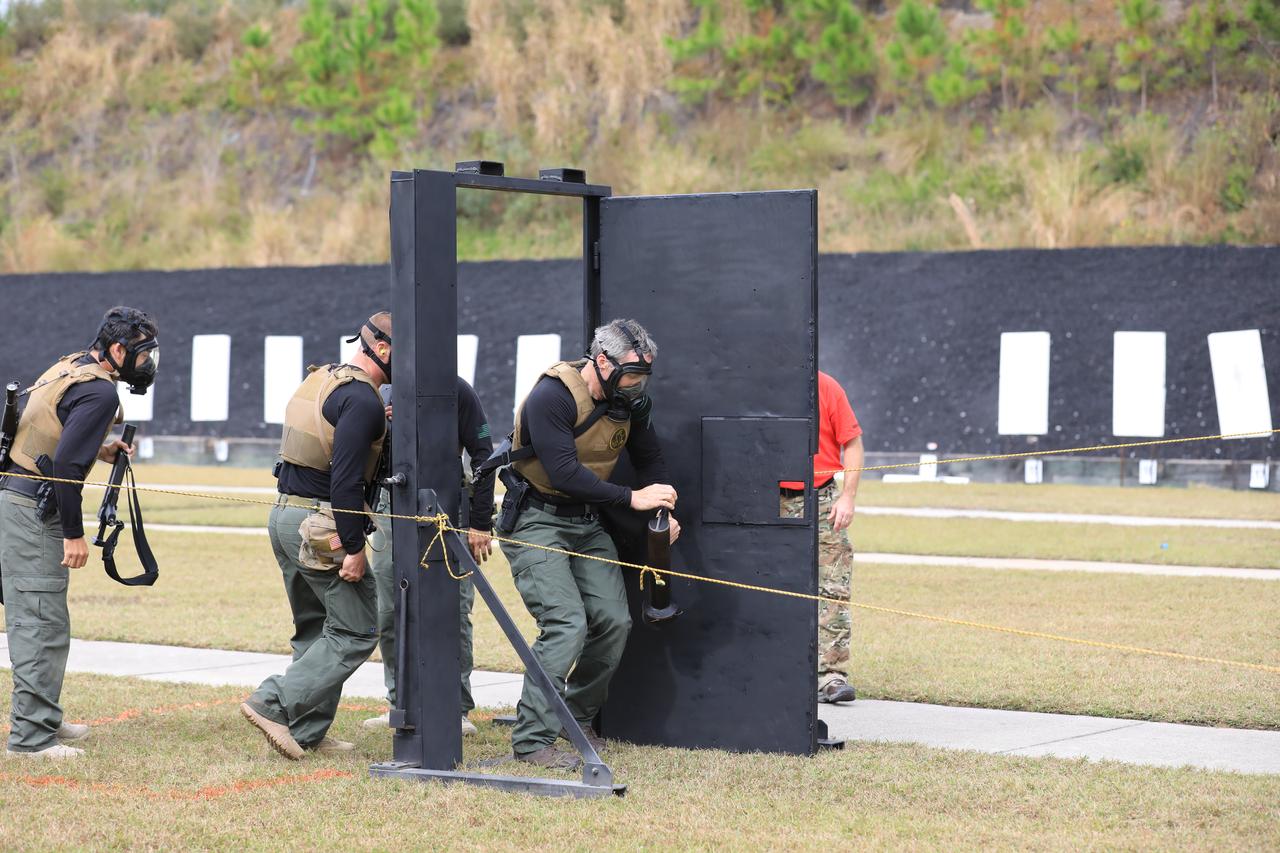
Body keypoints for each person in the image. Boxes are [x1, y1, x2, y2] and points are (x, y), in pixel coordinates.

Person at [501, 319, 680, 770]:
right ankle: (531, 740)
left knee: (615, 621)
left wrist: (661, 510)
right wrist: (634, 499)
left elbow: (649, 457)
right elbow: (564, 474)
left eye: (643, 378)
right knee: (566, 624)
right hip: (536, 520)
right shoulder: (552, 396)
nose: (637, 387)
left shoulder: (631, 403)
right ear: (601, 362)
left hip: (586, 522)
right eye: (630, 376)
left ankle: (572, 719)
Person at [0, 306, 158, 759]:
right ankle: (30, 737)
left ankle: (42, 715)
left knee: (44, 617)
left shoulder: (73, 366)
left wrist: (100, 448)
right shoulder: (100, 394)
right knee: (39, 622)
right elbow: (67, 467)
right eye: (143, 355)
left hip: (16, 494)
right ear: (117, 350)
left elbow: (49, 434)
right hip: (33, 508)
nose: (148, 364)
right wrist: (73, 533)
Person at [240, 312, 391, 760]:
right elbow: (345, 480)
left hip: (286, 514)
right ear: (382, 350)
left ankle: (305, 731)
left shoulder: (324, 380)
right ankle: (274, 702)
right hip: (323, 524)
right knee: (357, 629)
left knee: (313, 627)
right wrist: (353, 546)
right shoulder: (361, 402)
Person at [362, 378, 496, 736]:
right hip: (394, 507)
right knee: (391, 610)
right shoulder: (381, 392)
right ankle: (399, 703)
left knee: (452, 609)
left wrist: (480, 522)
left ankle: (456, 707)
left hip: (449, 504)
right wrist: (382, 426)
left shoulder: (458, 390)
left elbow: (484, 453)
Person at [779, 370, 863, 704]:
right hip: (770, 498)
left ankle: (832, 676)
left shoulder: (826, 386)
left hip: (822, 497)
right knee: (768, 584)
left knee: (834, 586)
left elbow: (853, 442)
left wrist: (848, 497)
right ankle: (779, 666)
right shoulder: (761, 384)